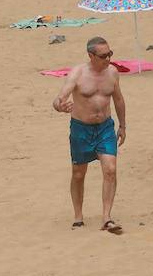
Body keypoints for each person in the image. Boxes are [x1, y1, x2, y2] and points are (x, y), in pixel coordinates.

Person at [53, 36, 127, 234]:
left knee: (110, 169)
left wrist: (123, 126)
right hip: (81, 129)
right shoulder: (78, 73)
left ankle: (107, 218)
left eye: (110, 54)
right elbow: (60, 98)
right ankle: (78, 216)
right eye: (103, 56)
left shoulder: (112, 73)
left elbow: (119, 100)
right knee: (78, 174)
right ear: (91, 56)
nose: (108, 59)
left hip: (105, 128)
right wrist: (61, 105)